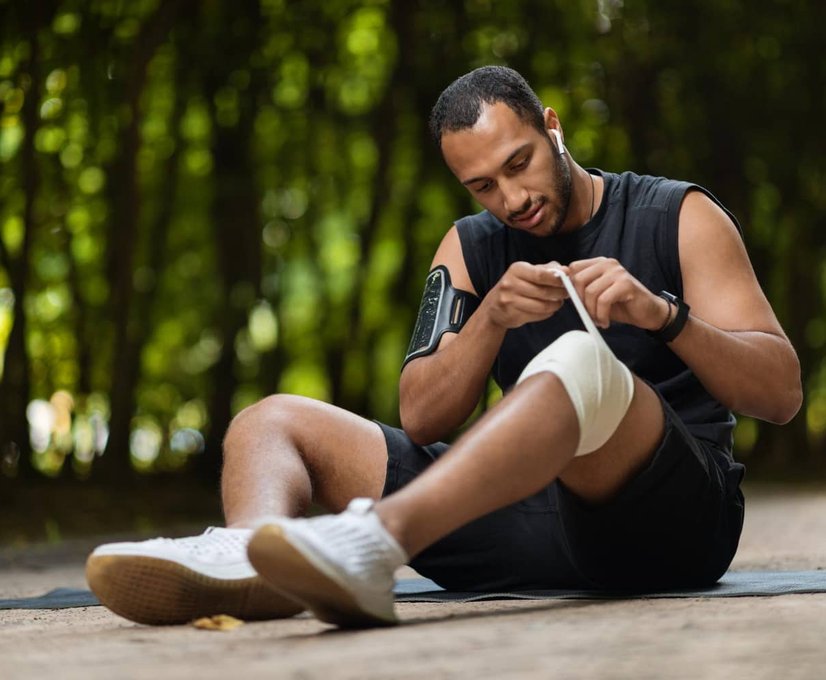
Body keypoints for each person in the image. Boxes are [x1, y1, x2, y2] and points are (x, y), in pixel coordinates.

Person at [86, 66, 802, 628]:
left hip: (670, 522)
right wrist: (489, 318)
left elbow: (781, 394)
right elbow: (423, 416)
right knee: (271, 420)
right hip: (532, 519)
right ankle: (253, 557)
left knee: (582, 362)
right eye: (483, 185)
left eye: (519, 163)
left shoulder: (678, 214)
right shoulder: (471, 246)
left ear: (551, 128)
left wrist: (663, 314)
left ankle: (372, 544)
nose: (512, 198)